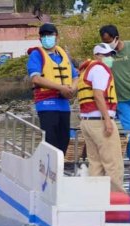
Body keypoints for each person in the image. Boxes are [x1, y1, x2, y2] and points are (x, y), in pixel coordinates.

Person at [77, 43, 125, 192]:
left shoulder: (86, 70)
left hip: (87, 122)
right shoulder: (99, 69)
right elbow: (98, 95)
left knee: (95, 163)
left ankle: (95, 198)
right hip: (99, 122)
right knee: (113, 163)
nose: (110, 58)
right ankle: (116, 201)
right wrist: (108, 121)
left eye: (111, 55)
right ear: (97, 56)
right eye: (106, 55)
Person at [27, 23, 78, 155]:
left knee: (64, 139)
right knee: (51, 140)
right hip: (46, 104)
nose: (47, 37)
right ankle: (49, 170)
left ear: (57, 37)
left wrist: (71, 89)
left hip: (63, 104)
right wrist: (60, 87)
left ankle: (59, 170)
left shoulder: (63, 55)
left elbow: (75, 77)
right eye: (43, 35)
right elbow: (36, 79)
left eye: (50, 35)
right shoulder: (36, 55)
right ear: (40, 39)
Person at [99, 24, 130, 159]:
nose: (107, 44)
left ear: (116, 38)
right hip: (121, 100)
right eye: (104, 42)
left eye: (108, 41)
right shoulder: (106, 54)